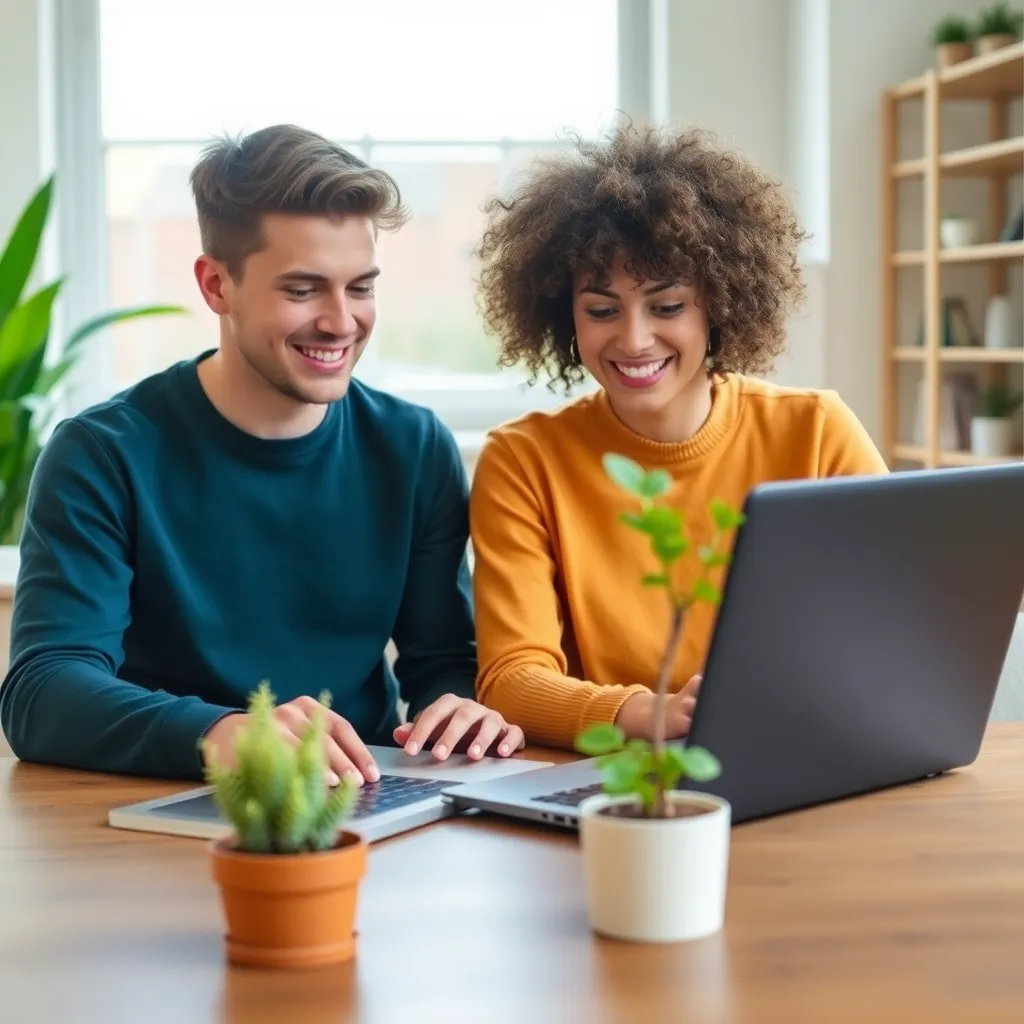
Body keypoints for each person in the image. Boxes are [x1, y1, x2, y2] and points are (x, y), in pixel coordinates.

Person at [0, 124, 524, 783]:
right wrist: (221, 732)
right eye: (302, 290)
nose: (341, 322)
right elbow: (43, 693)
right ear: (217, 285)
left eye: (361, 287)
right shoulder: (100, 455)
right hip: (161, 800)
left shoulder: (414, 448)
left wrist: (463, 708)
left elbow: (443, 663)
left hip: (360, 798)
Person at [469, 123, 888, 752]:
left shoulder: (817, 431)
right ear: (565, 315)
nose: (635, 340)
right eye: (602, 310)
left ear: (718, 304)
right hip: (618, 779)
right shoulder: (522, 460)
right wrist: (643, 712)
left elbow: (893, 627)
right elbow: (510, 680)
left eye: (667, 307)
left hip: (801, 750)